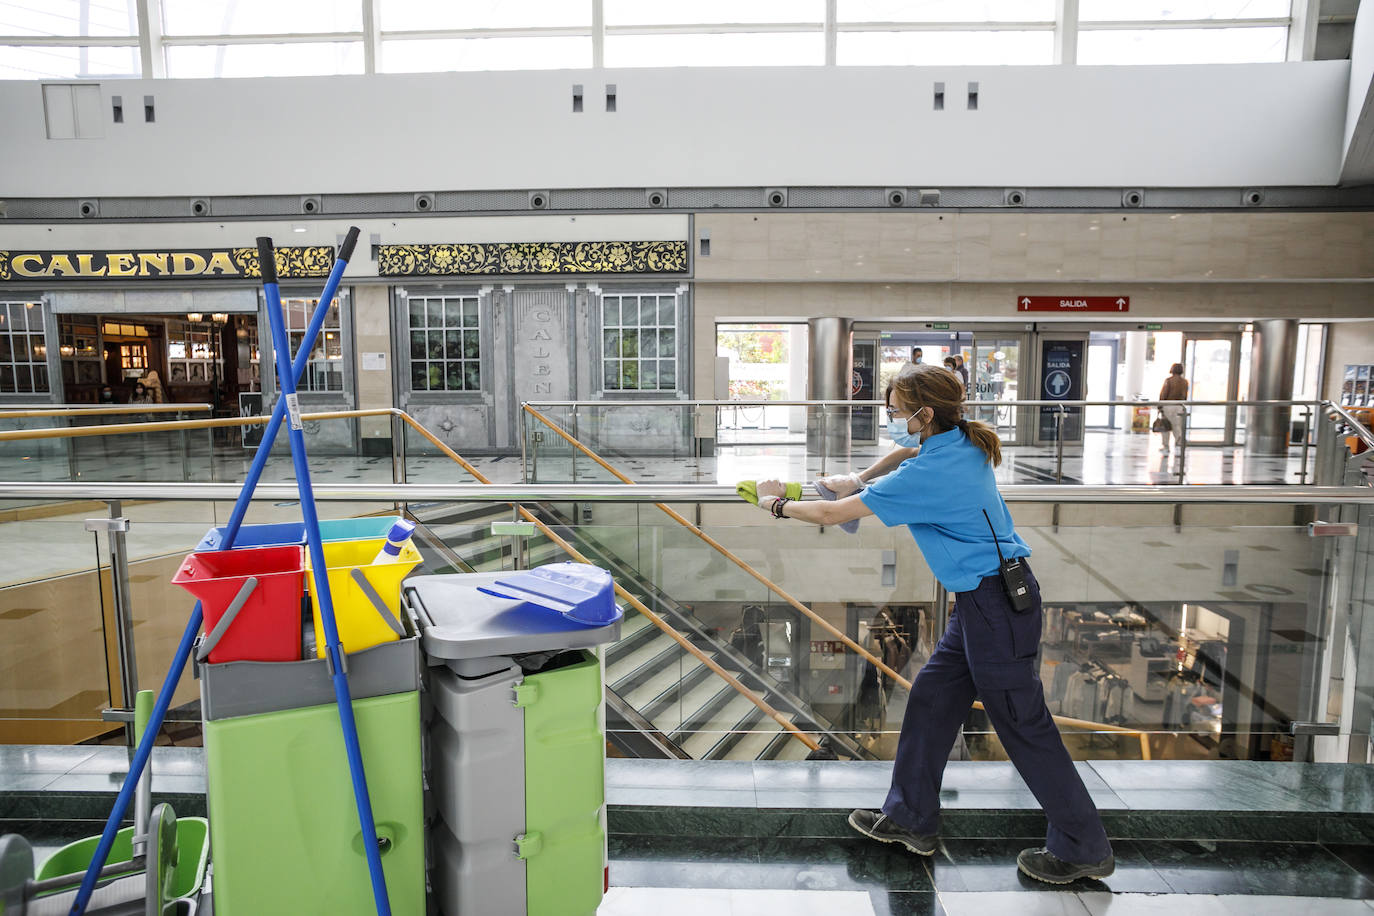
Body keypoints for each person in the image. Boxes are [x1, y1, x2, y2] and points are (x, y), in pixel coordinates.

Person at [751, 363, 1114, 884]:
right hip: (979, 606)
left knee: (1022, 726)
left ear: (925, 413)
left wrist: (776, 504)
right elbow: (907, 451)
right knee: (930, 701)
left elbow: (835, 515)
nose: (892, 419)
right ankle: (910, 818)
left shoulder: (933, 473)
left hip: (996, 610)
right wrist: (861, 475)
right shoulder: (959, 440)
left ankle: (1083, 846)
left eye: (897, 411)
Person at [1158, 363, 1188, 455]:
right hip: (1179, 406)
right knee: (1177, 426)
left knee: (1166, 426)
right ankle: (1179, 443)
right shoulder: (1185, 382)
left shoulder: (1169, 381)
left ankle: (1166, 446)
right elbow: (1185, 396)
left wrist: (1160, 406)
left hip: (1168, 405)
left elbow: (1164, 394)